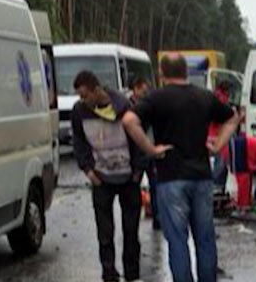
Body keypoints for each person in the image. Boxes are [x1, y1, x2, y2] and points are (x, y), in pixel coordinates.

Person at [122, 54, 242, 282]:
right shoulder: (205, 96)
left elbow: (129, 121)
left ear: (162, 73)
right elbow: (233, 118)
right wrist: (217, 146)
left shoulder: (156, 98)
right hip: (202, 176)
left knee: (177, 239)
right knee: (205, 238)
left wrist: (150, 149)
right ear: (186, 71)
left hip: (171, 177)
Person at [71, 71, 145, 282]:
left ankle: (132, 274)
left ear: (96, 89)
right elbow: (79, 142)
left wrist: (137, 172)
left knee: (131, 232)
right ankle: (109, 274)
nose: (82, 100)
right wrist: (88, 170)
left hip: (128, 178)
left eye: (85, 95)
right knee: (105, 233)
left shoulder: (125, 107)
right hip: (101, 179)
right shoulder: (79, 112)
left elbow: (141, 136)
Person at [128, 76, 160, 230]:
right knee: (134, 186)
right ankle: (133, 218)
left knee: (155, 185)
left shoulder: (149, 103)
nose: (145, 90)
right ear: (136, 88)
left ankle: (157, 217)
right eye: (143, 88)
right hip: (137, 153)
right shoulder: (129, 105)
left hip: (150, 150)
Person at [208, 82, 231, 192]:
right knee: (221, 162)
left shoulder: (215, 97)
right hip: (216, 135)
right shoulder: (219, 98)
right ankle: (216, 186)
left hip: (215, 134)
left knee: (221, 163)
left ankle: (219, 186)